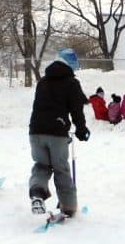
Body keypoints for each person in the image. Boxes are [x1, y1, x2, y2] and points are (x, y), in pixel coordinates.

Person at [28, 48, 90, 218]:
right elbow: (76, 109)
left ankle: (37, 193)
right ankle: (68, 207)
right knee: (61, 169)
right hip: (57, 133)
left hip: (35, 131)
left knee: (41, 165)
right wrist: (81, 130)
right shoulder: (71, 82)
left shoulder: (43, 81)